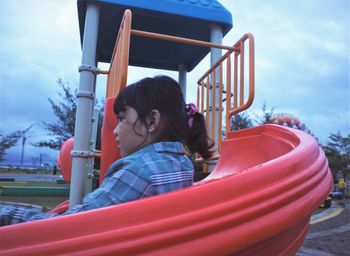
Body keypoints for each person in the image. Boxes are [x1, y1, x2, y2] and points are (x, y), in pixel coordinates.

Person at [0, 75, 213, 226]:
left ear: (152, 121)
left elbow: (66, 227)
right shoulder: (182, 163)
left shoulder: (139, 171)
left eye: (122, 119)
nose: (116, 131)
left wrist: (6, 213)